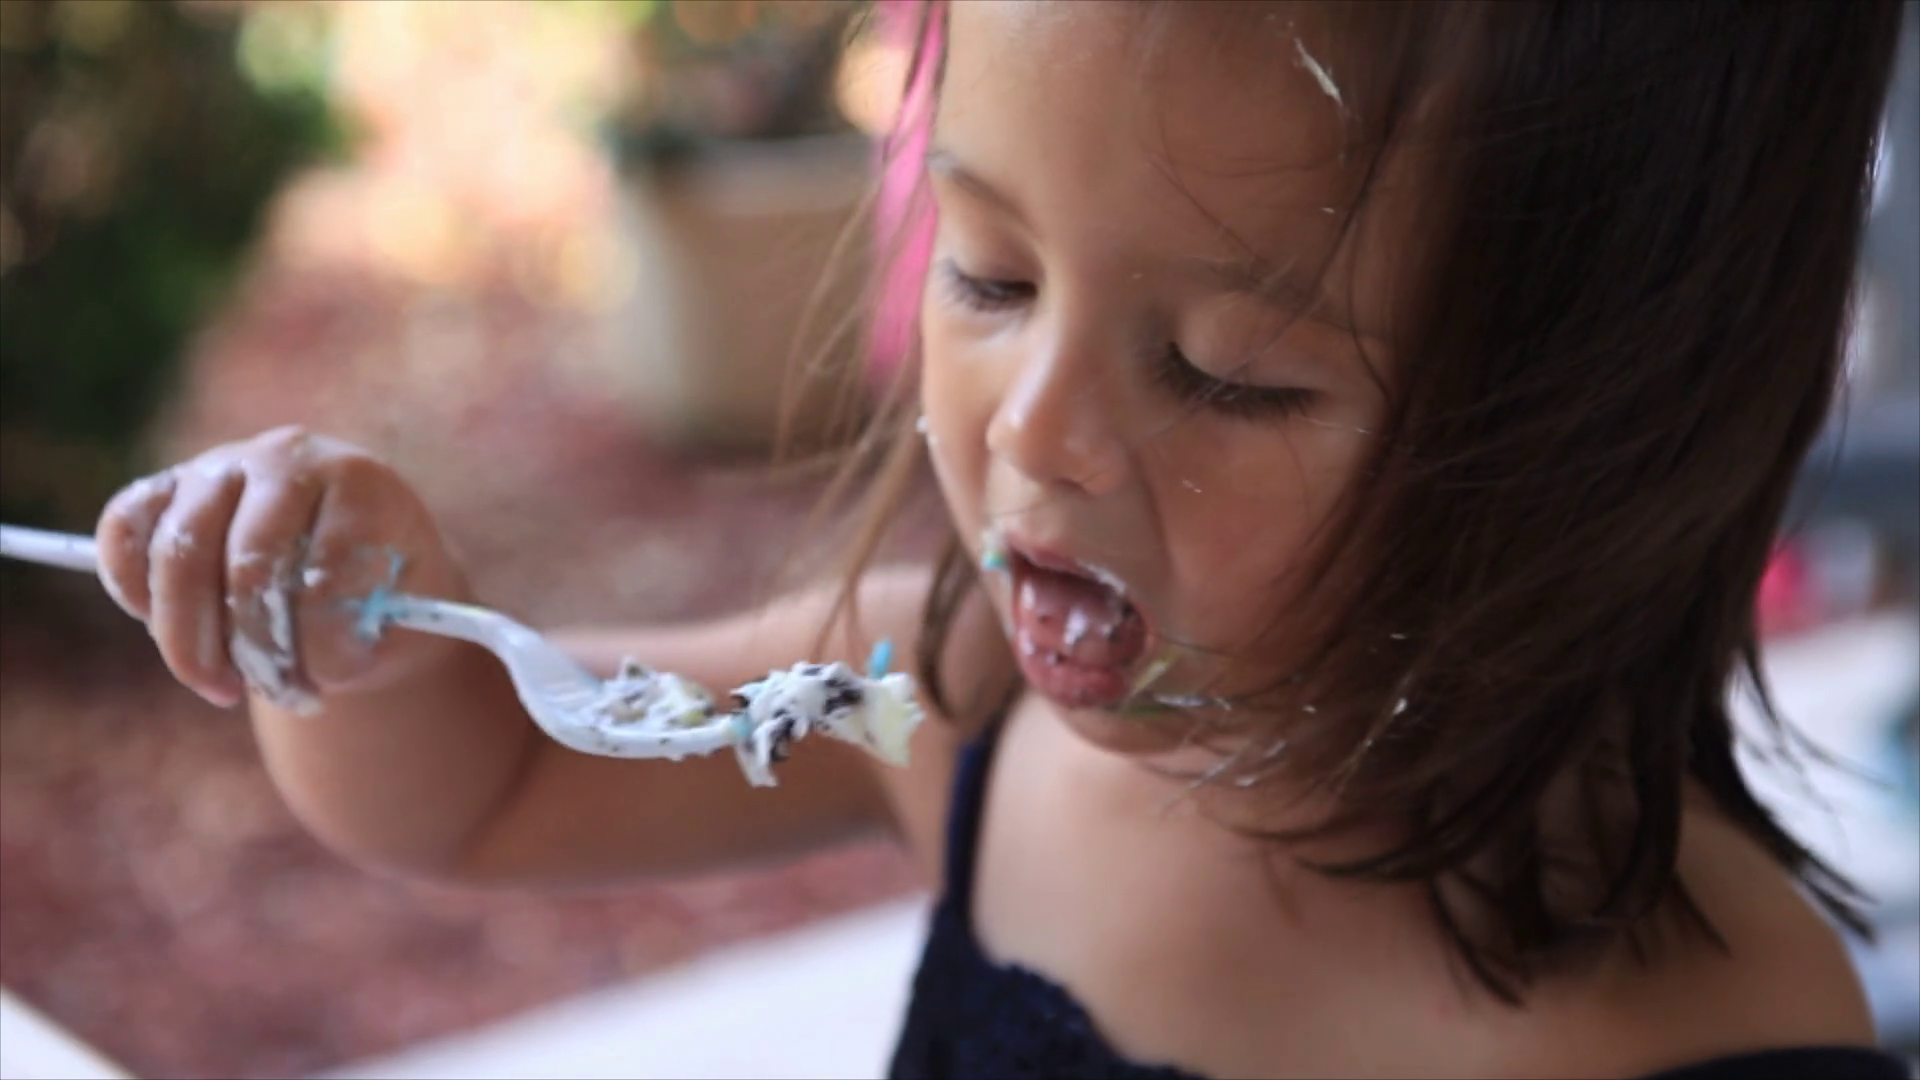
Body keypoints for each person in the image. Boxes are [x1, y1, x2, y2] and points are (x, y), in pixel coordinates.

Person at [92, 2, 1911, 1076]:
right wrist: (359, 628)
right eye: (990, 275)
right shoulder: (942, 696)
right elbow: (491, 782)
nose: (1035, 430)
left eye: (1230, 372)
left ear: (1608, 435)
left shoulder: (1724, 1031)